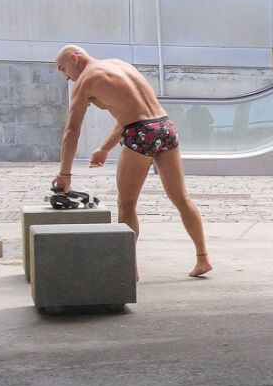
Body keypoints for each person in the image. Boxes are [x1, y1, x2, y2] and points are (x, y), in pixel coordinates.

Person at [52, 44, 212, 278]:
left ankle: (129, 268)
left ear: (75, 58)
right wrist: (105, 148)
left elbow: (72, 131)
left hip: (140, 133)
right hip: (165, 127)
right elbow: (133, 111)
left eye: (63, 68)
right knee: (181, 198)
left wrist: (64, 174)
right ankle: (203, 258)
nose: (66, 76)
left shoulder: (85, 80)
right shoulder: (122, 65)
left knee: (126, 204)